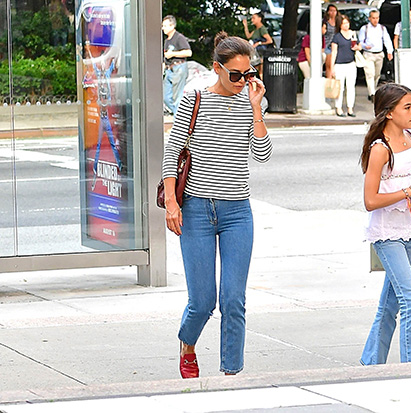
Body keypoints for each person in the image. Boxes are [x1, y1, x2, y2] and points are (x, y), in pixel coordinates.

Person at [162, 31, 273, 378]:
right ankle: (188, 343)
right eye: (235, 74)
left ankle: (232, 373)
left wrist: (256, 109)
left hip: (237, 212)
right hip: (196, 210)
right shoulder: (194, 98)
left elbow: (262, 154)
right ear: (216, 68)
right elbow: (172, 152)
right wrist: (171, 203)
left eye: (248, 74)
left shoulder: (252, 102)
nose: (243, 81)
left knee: (234, 300)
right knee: (203, 301)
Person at [359, 83, 411, 366]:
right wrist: (407, 192)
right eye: (407, 107)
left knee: (390, 304)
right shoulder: (380, 149)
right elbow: (370, 200)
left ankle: (371, 363)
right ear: (389, 113)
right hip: (387, 233)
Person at [359, 9, 394, 102]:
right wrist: (364, 45)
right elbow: (361, 41)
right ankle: (372, 94)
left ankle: (373, 89)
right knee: (370, 74)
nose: (375, 20)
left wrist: (389, 51)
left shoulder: (382, 28)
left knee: (377, 74)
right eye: (373, 18)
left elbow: (387, 40)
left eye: (377, 18)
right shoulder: (364, 28)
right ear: (369, 18)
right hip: (368, 54)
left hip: (379, 54)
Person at [331, 15, 361, 117]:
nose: (346, 25)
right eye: (344, 24)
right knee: (340, 88)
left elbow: (359, 45)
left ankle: (350, 108)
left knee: (351, 87)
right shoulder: (337, 37)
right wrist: (332, 67)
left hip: (351, 63)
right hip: (339, 64)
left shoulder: (353, 34)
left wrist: (357, 47)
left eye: (347, 23)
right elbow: (334, 52)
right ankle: (338, 108)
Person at [162, 15, 192, 116]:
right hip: (169, 69)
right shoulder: (167, 41)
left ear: (172, 26)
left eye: (165, 26)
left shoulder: (179, 37)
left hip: (179, 67)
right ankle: (180, 115)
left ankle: (178, 123)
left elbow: (188, 53)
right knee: (165, 97)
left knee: (177, 98)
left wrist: (173, 54)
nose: (163, 28)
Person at [242, 12, 274, 79]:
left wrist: (258, 43)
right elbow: (248, 36)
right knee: (257, 71)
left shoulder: (262, 29)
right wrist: (245, 26)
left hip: (260, 53)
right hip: (256, 54)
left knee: (259, 71)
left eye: (254, 18)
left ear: (259, 19)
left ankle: (262, 86)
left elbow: (270, 40)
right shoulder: (256, 29)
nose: (252, 20)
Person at [322, 4, 341, 79]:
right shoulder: (325, 22)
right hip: (327, 46)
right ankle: (329, 81)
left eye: (334, 11)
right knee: (329, 65)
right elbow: (322, 33)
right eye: (331, 11)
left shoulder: (339, 22)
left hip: (336, 45)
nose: (333, 13)